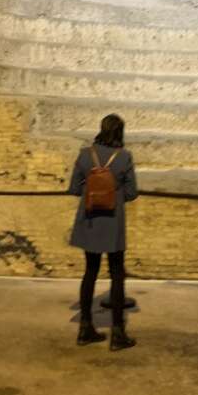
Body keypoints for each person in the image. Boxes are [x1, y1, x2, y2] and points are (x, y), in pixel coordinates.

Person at [68, 113, 139, 351]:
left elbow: (74, 189)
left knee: (90, 272)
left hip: (89, 222)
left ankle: (85, 328)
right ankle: (118, 333)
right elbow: (131, 193)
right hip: (113, 223)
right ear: (120, 132)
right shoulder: (124, 157)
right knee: (117, 274)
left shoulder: (85, 155)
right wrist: (114, 193)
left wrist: (92, 188)